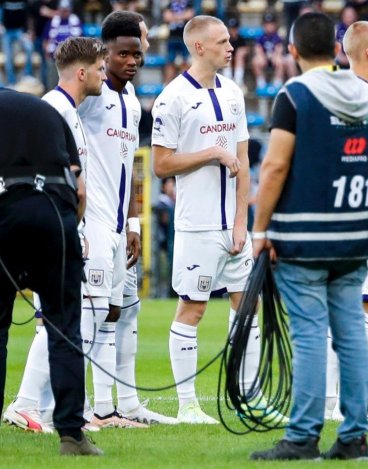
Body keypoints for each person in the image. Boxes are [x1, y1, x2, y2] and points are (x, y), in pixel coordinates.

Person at [250, 12, 368, 461]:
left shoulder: (295, 94)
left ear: (292, 52)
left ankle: (303, 436)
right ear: (335, 48)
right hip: (357, 234)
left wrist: (260, 229)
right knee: (350, 333)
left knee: (310, 334)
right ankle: (354, 437)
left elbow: (273, 167)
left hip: (305, 236)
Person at [0, 85, 101, 456]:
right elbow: (80, 192)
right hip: (53, 218)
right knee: (63, 327)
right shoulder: (51, 115)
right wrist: (65, 229)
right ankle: (72, 436)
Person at [152, 15, 286, 425]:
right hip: (197, 225)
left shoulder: (232, 92)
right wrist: (211, 153)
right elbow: (161, 165)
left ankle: (249, 396)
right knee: (192, 311)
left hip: (235, 226)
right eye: (223, 41)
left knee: (248, 306)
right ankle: (188, 405)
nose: (231, 47)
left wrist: (243, 221)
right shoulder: (171, 98)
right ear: (198, 47)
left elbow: (244, 159)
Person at [2, 36, 106, 433]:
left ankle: (48, 407)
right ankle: (27, 403)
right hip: (52, 229)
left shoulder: (67, 109)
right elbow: (44, 176)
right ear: (81, 72)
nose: (102, 74)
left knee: (62, 319)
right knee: (59, 320)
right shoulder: (53, 109)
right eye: (98, 69)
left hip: (61, 227)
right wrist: (63, 227)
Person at [78, 10, 171, 427]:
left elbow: (127, 167)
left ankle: (109, 406)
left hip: (119, 224)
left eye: (137, 54)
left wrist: (133, 224)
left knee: (113, 313)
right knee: (92, 313)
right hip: (91, 221)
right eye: (123, 54)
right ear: (105, 53)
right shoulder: (87, 95)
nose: (132, 61)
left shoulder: (133, 102)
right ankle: (81, 407)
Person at [323, 20, 368, 425]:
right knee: (354, 306)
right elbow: (342, 153)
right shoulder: (356, 97)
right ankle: (341, 402)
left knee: (367, 306)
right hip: (359, 218)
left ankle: (346, 400)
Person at [0, 0, 34, 85]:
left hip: (20, 31)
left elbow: (29, 14)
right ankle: (11, 82)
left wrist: (29, 31)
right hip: (6, 31)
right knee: (8, 57)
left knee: (29, 47)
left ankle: (27, 75)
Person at [251, 12, 294, 89]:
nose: (269, 26)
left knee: (281, 61)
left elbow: (279, 47)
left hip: (274, 58)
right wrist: (261, 56)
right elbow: (258, 48)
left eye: (271, 24)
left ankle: (278, 82)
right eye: (267, 24)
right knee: (255, 61)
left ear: (275, 25)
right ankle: (261, 82)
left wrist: (277, 55)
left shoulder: (277, 36)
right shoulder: (261, 36)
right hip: (264, 58)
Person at [163, 0, 195, 84]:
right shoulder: (170, 4)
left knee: (186, 62)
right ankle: (167, 84)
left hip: (185, 38)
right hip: (172, 37)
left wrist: (174, 17)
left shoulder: (189, 3)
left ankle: (184, 83)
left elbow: (190, 15)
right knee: (170, 62)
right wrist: (182, 16)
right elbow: (166, 17)